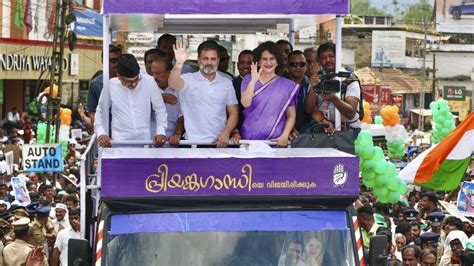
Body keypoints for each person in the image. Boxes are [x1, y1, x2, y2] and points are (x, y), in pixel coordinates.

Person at [169, 40, 238, 147]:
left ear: (218, 61)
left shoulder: (227, 83)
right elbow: (173, 84)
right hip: (192, 143)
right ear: (198, 60)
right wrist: (179, 63)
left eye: (213, 59)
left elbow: (233, 112)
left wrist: (226, 132)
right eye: (205, 58)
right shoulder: (187, 79)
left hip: (219, 143)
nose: (209, 63)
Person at [95, 54, 168, 148]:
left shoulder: (149, 81)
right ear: (119, 76)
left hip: (144, 143)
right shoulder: (111, 85)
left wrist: (161, 131)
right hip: (120, 143)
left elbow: (160, 109)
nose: (134, 84)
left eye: (136, 80)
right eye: (129, 82)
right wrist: (101, 133)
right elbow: (100, 111)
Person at [240, 41, 298, 147]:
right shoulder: (248, 80)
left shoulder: (287, 85)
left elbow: (291, 114)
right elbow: (245, 103)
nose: (268, 62)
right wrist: (253, 81)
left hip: (276, 141)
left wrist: (285, 135)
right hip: (250, 140)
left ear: (277, 61)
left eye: (272, 59)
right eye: (264, 59)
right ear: (258, 61)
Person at [304, 42, 361, 137]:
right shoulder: (317, 78)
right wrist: (313, 88)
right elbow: (310, 110)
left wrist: (333, 98)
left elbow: (351, 113)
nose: (328, 60)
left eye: (331, 56)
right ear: (319, 60)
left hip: (348, 129)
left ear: (337, 57)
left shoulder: (349, 79)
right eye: (323, 57)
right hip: (324, 126)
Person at [149, 56, 185, 145]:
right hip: (149, 140)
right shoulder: (147, 87)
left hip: (173, 140)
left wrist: (177, 134)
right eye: (152, 73)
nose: (154, 77)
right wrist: (160, 97)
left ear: (170, 72)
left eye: (158, 73)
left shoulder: (180, 89)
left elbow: (183, 116)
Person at [87, 44, 122, 124]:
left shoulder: (130, 81)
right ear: (104, 62)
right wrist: (101, 131)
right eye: (113, 61)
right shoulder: (95, 84)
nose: (117, 64)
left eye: (119, 61)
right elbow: (92, 112)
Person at [284, 50, 314, 135]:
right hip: (283, 129)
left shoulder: (309, 82)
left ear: (306, 66)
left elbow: (310, 110)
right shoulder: (280, 82)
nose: (298, 67)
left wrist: (312, 87)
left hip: (304, 129)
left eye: (301, 64)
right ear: (287, 66)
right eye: (293, 64)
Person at [232, 50, 254, 133]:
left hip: (259, 133)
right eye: (242, 63)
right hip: (236, 134)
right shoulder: (231, 85)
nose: (246, 66)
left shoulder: (263, 84)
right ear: (237, 65)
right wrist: (234, 131)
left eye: (249, 63)